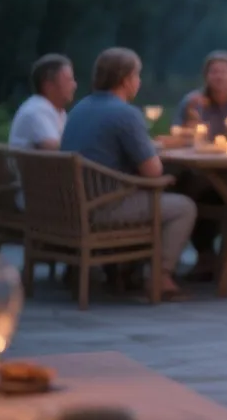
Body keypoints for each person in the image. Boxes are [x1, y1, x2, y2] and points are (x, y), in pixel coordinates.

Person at [60, 47, 192, 298]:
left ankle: (127, 270)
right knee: (184, 206)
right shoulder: (125, 113)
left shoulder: (81, 107)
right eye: (137, 75)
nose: (139, 81)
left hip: (74, 204)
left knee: (160, 195)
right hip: (103, 207)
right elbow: (153, 172)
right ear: (125, 79)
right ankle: (159, 277)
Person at [176, 49, 227, 136]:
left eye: (223, 72)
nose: (219, 77)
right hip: (198, 148)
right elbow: (177, 132)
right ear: (205, 76)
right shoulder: (191, 102)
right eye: (214, 72)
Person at [9, 54, 75, 150]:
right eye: (69, 80)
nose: (74, 85)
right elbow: (57, 150)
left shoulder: (58, 112)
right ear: (48, 85)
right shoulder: (37, 110)